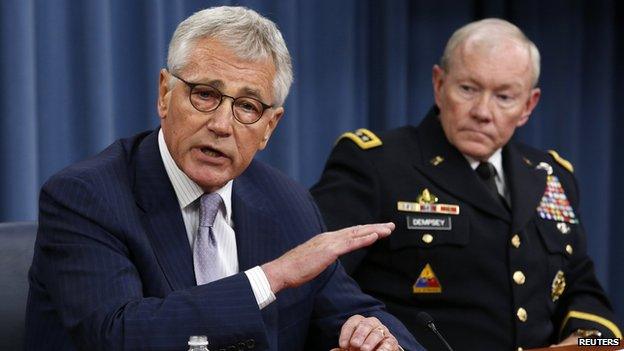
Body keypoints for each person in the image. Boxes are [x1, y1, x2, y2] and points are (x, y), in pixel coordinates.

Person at [25, 7, 423, 351]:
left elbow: (349, 312)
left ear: (269, 127)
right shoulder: (86, 197)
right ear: (164, 93)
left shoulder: (287, 204)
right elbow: (119, 334)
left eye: (247, 107)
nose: (220, 125)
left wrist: (378, 339)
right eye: (205, 94)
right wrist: (272, 277)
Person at [311, 18, 621, 351]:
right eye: (468, 89)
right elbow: (319, 279)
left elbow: (578, 285)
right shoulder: (375, 163)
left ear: (528, 106)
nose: (483, 112)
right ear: (439, 84)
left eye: (504, 96)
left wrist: (588, 341)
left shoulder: (551, 175)